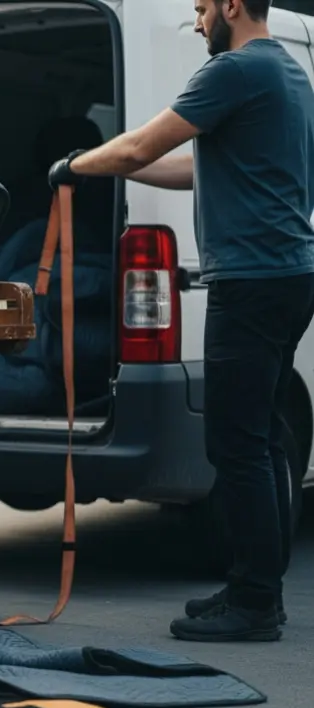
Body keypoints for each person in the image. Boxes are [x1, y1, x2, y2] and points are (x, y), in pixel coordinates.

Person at [46, 0, 314, 642]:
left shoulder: (234, 71)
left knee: (236, 443)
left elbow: (142, 140)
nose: (196, 22)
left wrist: (75, 164)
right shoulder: (289, 73)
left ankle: (254, 603)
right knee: (264, 437)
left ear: (229, 5)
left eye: (199, 9)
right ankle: (256, 587)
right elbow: (191, 166)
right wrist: (112, 168)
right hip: (287, 276)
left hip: (249, 283)